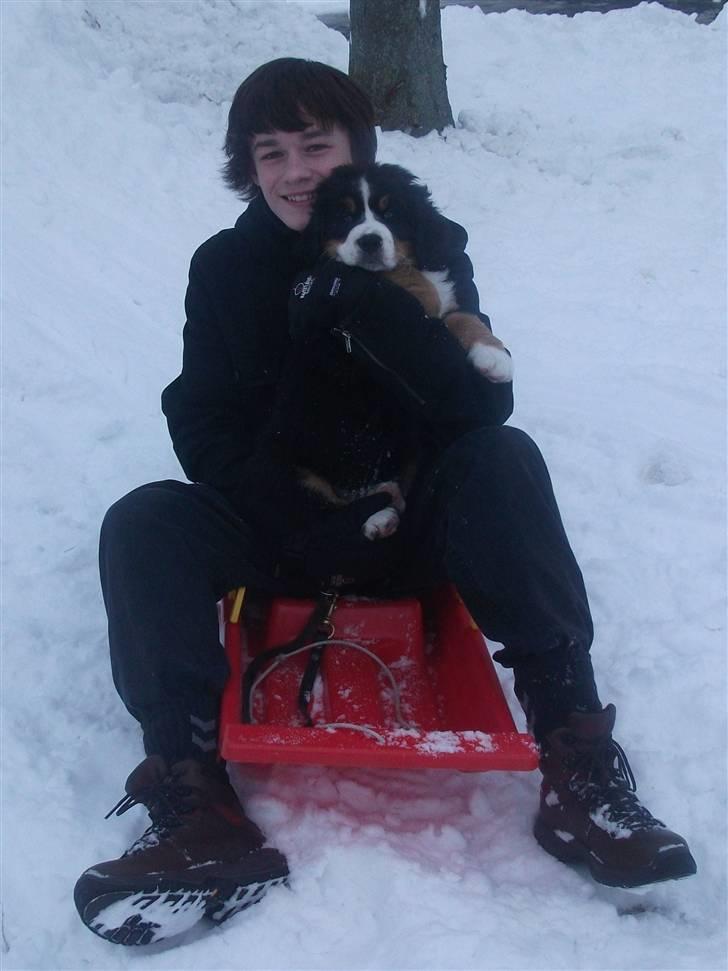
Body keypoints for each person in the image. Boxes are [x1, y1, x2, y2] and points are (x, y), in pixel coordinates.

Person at [74, 58, 696, 947]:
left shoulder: (422, 236)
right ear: (246, 166)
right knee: (143, 520)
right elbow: (200, 417)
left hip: (409, 519)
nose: (296, 170)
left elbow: (479, 404)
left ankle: (579, 766)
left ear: (356, 150)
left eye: (316, 145)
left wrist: (376, 310)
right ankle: (193, 803)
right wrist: (283, 502)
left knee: (503, 458)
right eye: (272, 151)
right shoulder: (225, 267)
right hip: (285, 519)